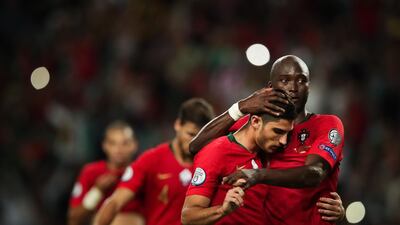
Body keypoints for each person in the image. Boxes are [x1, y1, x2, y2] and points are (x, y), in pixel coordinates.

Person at [189, 55, 345, 224]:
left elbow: (315, 173)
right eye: (285, 80)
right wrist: (240, 107)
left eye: (301, 81)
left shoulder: (327, 124)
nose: (293, 88)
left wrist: (258, 175)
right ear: (270, 88)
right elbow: (196, 147)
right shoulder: (258, 125)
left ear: (309, 86)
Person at [93, 98, 215, 225]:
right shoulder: (151, 160)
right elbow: (115, 202)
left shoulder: (211, 162)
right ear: (178, 125)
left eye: (201, 136)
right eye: (190, 134)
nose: (195, 141)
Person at [181, 93, 297, 225]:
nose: (284, 141)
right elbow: (188, 216)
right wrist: (222, 210)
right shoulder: (217, 152)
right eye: (278, 131)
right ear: (255, 122)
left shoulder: (265, 154)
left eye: (288, 133)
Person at [68, 121, 144, 225]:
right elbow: (74, 218)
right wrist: (97, 191)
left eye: (125, 143)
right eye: (113, 143)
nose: (119, 149)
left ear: (134, 145)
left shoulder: (145, 172)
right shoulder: (91, 172)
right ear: (105, 146)